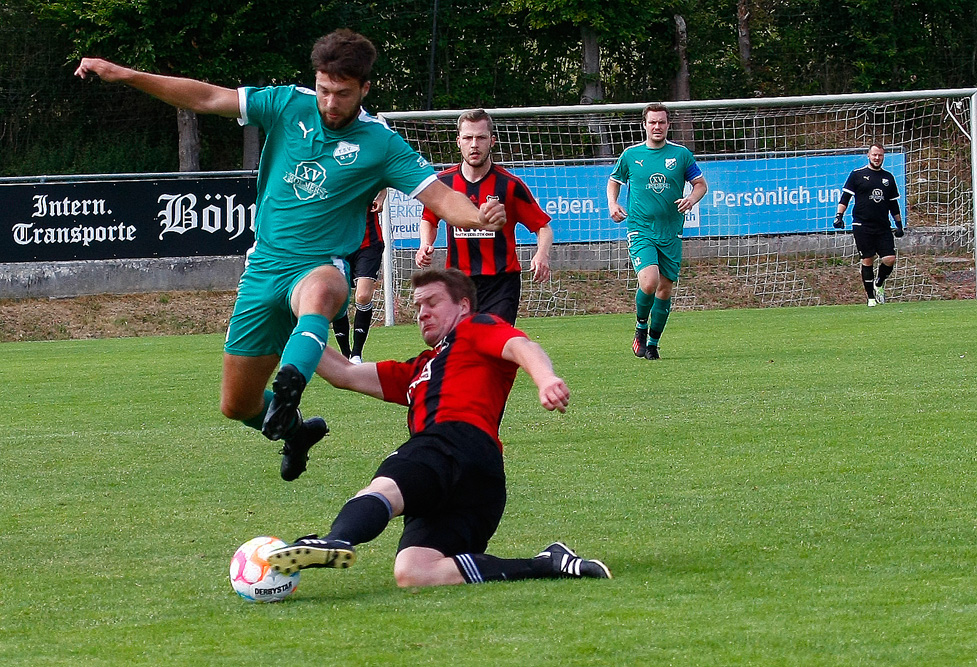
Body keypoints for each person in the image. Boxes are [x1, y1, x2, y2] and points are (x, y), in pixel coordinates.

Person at [74, 30, 506, 482]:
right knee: (236, 404)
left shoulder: (381, 143)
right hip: (263, 267)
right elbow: (205, 97)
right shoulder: (287, 103)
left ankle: (292, 383)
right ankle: (296, 432)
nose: (330, 102)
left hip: (322, 264)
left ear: (365, 89)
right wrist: (125, 74)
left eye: (342, 93)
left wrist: (478, 216)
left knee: (321, 291)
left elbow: (438, 197)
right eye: (323, 90)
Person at [268, 268, 611, 587]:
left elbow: (523, 346)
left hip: (453, 442)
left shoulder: (475, 328)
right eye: (418, 306)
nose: (422, 313)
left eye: (432, 303)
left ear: (463, 306)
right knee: (414, 571)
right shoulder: (419, 368)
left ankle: (335, 539)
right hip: (479, 483)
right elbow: (345, 373)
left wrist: (546, 378)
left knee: (385, 488)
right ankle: (546, 564)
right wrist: (294, 330)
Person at [416, 109, 552, 325]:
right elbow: (429, 219)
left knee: (492, 345)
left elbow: (543, 227)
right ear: (458, 141)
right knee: (461, 348)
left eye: (481, 138)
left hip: (501, 282)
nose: (474, 144)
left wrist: (541, 255)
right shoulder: (444, 184)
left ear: (492, 141)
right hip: (458, 283)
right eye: (468, 138)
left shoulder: (509, 185)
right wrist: (425, 244)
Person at [607, 104, 708, 360]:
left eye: (661, 122)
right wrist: (613, 203)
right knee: (649, 282)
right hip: (640, 229)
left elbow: (700, 185)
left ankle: (652, 343)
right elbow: (614, 181)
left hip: (671, 231)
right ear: (644, 125)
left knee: (664, 289)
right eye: (652, 122)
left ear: (667, 124)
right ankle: (640, 328)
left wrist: (691, 199)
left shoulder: (681, 155)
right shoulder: (631, 155)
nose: (657, 127)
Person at [833, 142, 904, 306]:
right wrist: (839, 216)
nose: (877, 158)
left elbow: (893, 204)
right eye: (874, 155)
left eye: (880, 155)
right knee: (868, 259)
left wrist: (899, 224)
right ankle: (871, 297)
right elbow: (845, 198)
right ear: (868, 155)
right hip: (862, 225)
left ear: (883, 157)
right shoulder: (857, 175)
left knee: (890, 259)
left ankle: (878, 283)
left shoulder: (888, 178)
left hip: (883, 226)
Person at [333, 191, 386, 364]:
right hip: (339, 246)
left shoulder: (365, 167)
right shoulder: (328, 173)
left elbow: (383, 176)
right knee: (339, 299)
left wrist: (380, 197)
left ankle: (356, 354)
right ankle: (345, 354)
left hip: (368, 244)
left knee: (363, 296)